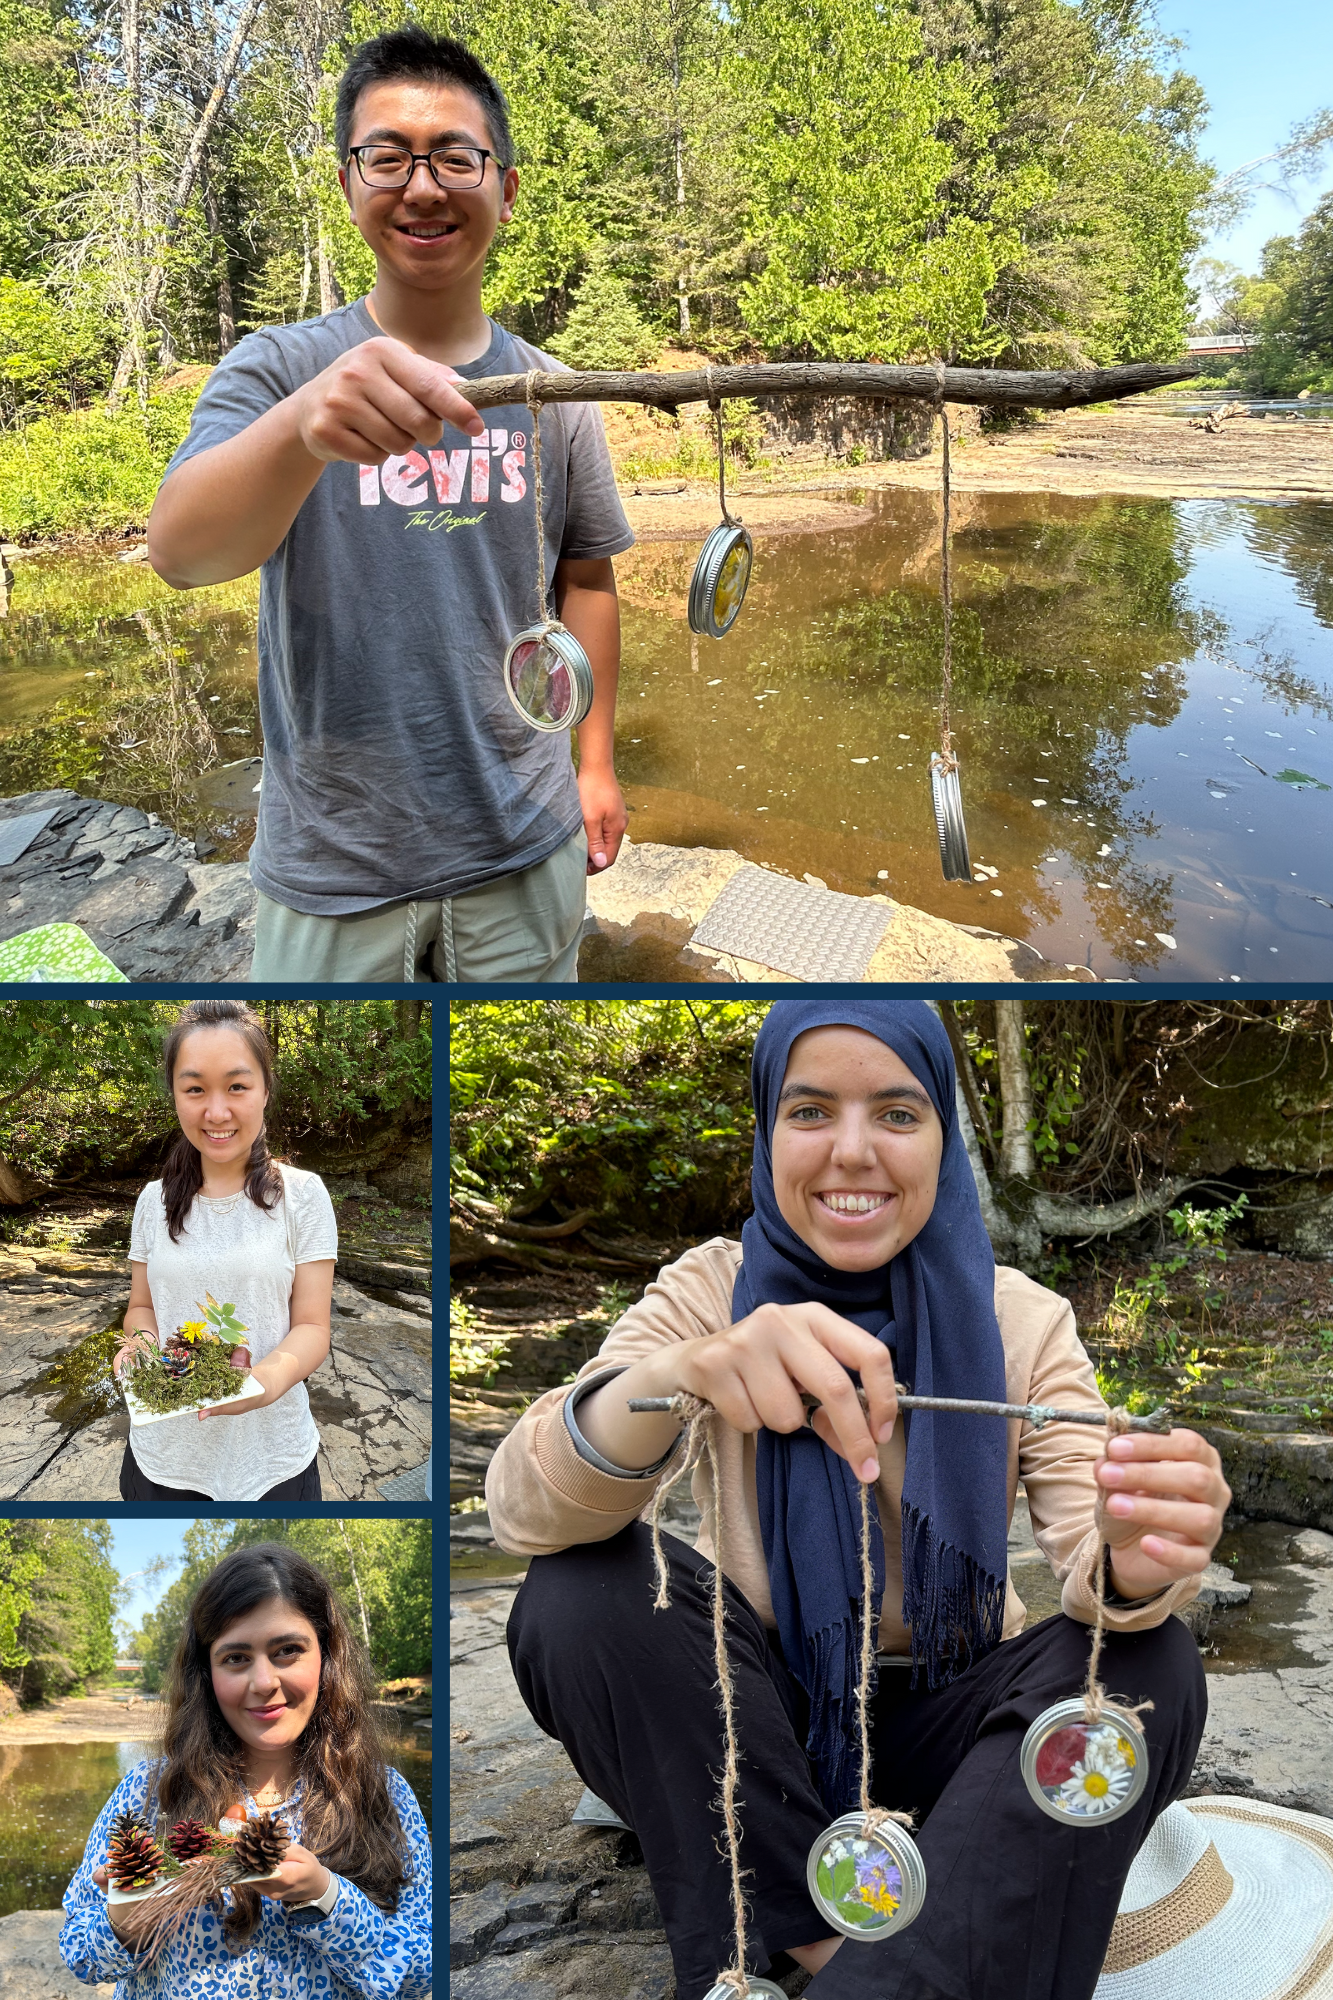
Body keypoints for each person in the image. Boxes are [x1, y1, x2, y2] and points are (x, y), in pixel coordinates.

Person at [488, 999, 1231, 2000]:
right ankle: (843, 1958)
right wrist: (680, 1370)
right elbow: (526, 1512)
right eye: (808, 1111)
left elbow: (1093, 1552)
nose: (851, 1151)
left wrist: (1137, 1557)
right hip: (761, 1733)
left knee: (1150, 1660)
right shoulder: (708, 1292)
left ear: (942, 1139)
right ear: (765, 1132)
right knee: (578, 1594)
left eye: (896, 1113)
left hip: (962, 1739)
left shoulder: (1021, 1317)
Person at [146, 27, 634, 983]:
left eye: (455, 157)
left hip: (526, 838)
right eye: (387, 157)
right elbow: (181, 555)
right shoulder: (277, 369)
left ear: (504, 188)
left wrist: (596, 764)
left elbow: (586, 581)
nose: (422, 187)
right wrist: (302, 428)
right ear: (347, 184)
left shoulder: (553, 391)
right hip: (333, 862)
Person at [60, 1542, 431, 1998]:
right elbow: (79, 1954)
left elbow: (422, 1976)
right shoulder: (148, 1792)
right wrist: (124, 1921)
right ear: (207, 1673)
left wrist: (326, 1897)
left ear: (327, 1656)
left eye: (287, 1650)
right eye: (236, 1658)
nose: (264, 1683)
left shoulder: (383, 1795)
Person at [115, 998, 335, 1501]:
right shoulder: (152, 1201)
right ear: (175, 1095)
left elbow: (312, 1327)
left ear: (265, 1089)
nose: (216, 1112)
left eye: (237, 1086)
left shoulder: (302, 1196)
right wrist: (142, 1346)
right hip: (163, 1457)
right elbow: (142, 1307)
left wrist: (263, 1382)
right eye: (195, 1089)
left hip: (273, 1460)